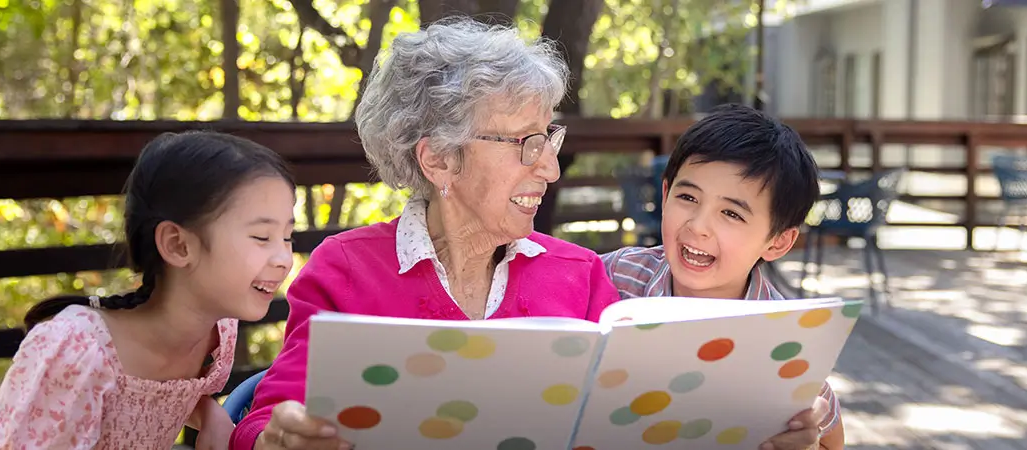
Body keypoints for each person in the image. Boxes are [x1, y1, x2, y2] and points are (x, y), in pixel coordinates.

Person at [229, 18, 621, 450]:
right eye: (526, 143)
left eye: (549, 138)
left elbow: (621, 420)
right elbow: (265, 420)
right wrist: (276, 440)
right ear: (437, 160)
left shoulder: (580, 275)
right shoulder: (346, 270)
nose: (550, 168)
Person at [0, 131, 299, 450]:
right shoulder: (76, 352)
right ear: (178, 245)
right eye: (262, 237)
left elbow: (163, 398)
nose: (284, 259)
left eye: (287, 237)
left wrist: (210, 415)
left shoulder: (218, 335)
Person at [600, 104, 847, 450]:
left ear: (778, 241)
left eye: (731, 213)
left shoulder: (785, 337)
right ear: (665, 193)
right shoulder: (613, 277)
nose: (698, 226)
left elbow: (829, 437)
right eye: (687, 197)